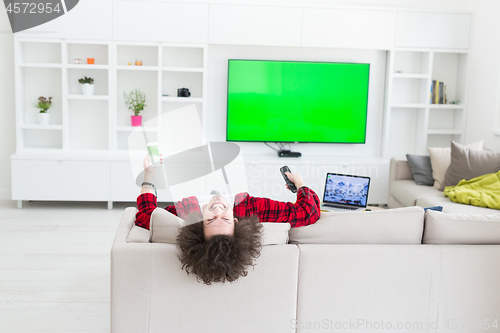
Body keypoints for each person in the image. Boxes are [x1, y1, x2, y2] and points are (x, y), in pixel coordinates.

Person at [135, 156, 321, 285]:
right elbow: (307, 213)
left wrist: (149, 175)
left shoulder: (188, 211)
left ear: (199, 224)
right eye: (225, 219)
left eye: (210, 220)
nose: (217, 209)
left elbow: (146, 216)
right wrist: (299, 183)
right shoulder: (251, 209)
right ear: (236, 222)